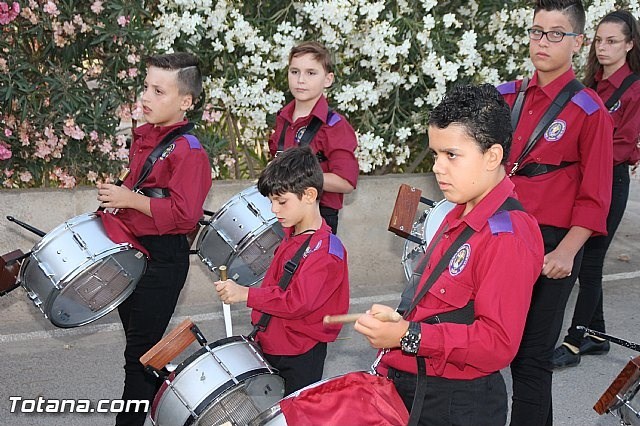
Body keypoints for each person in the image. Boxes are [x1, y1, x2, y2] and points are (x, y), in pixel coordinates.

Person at [354, 83, 545, 426]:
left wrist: (408, 335)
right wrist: (400, 323)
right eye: (435, 155)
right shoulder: (458, 211)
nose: (438, 168)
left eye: (452, 155)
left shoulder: (507, 236)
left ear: (493, 156)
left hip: (456, 404)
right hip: (421, 387)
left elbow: (497, 343)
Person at [496, 1, 614, 424]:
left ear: (577, 41)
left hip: (552, 247)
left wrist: (567, 252)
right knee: (487, 349)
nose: (543, 42)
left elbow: (596, 195)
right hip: (498, 235)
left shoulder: (589, 110)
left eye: (556, 33)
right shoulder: (504, 95)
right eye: (536, 31)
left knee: (530, 359)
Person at [96, 52, 212, 426]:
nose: (146, 96)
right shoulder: (145, 137)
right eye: (146, 86)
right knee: (140, 351)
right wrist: (119, 198)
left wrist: (130, 199)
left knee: (139, 359)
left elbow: (185, 215)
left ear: (185, 102)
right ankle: (186, 398)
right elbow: (145, 191)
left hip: (162, 260)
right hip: (132, 253)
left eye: (158, 91)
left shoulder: (190, 152)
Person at [215, 146, 350, 396]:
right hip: (273, 343)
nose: (274, 210)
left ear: (309, 195)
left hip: (298, 354)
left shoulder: (326, 252)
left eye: (281, 201)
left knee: (293, 413)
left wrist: (246, 294)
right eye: (271, 202)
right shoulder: (293, 233)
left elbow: (297, 302)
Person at [553, 10, 640, 368]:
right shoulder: (591, 85)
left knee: (588, 263)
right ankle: (598, 332)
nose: (603, 48)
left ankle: (575, 341)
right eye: (599, 40)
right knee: (589, 262)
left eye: (613, 41)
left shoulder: (634, 87)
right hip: (582, 177)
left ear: (629, 44)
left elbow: (624, 143)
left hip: (610, 179)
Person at [268, 41, 359, 234]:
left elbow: (346, 182)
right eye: (294, 72)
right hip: (283, 214)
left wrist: (297, 178)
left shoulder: (336, 126)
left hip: (318, 218)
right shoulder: (282, 118)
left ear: (328, 79)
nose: (301, 80)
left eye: (311, 73)